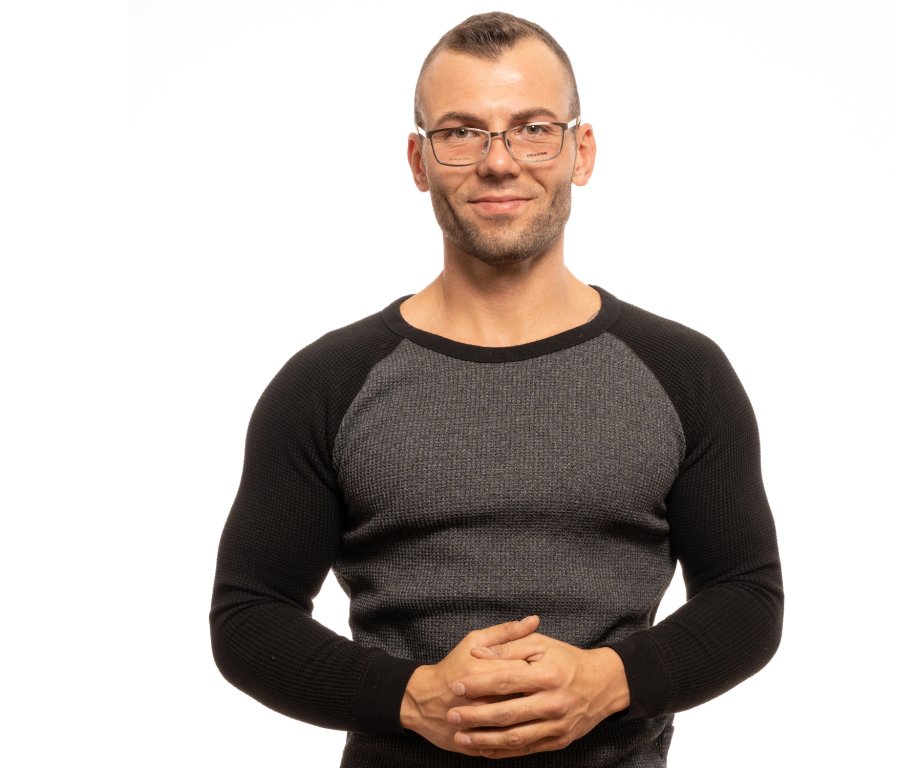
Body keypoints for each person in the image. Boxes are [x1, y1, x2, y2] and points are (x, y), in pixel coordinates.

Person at [210, 11, 783, 768]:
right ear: (418, 160)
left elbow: (747, 596)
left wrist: (610, 681)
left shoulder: (684, 373)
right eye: (461, 133)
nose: (499, 162)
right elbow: (249, 616)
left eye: (533, 129)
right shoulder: (325, 385)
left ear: (581, 151)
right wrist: (412, 697)